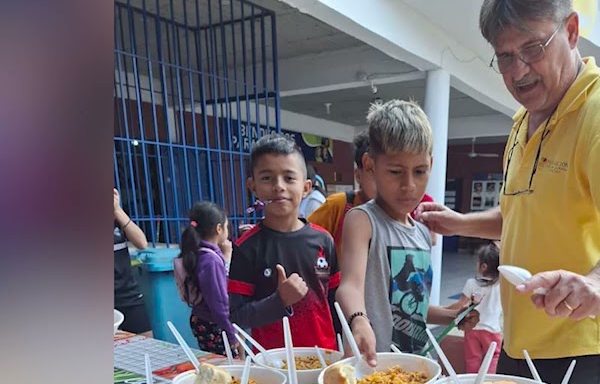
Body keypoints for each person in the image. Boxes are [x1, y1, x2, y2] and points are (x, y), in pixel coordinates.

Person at [416, 0, 600, 384]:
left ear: (572, 31)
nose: (518, 71)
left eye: (532, 49)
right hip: (521, 337)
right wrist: (459, 222)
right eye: (505, 56)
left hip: (581, 343)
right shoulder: (523, 121)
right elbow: (522, 213)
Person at [337, 99, 436, 362]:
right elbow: (349, 286)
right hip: (377, 368)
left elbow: (410, 307)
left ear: (431, 165)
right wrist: (358, 321)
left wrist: (454, 314)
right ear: (370, 165)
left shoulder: (423, 232)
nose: (409, 185)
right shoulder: (363, 220)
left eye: (420, 171)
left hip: (419, 367)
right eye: (395, 171)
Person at [228, 133, 340, 350]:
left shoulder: (324, 240)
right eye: (267, 178)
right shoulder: (246, 247)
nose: (279, 186)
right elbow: (237, 316)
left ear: (306, 188)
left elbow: (336, 303)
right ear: (253, 186)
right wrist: (279, 301)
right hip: (272, 364)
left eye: (289, 178)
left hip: (325, 357)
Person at [311, 130, 439, 256]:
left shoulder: (414, 204)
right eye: (394, 171)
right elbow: (305, 236)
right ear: (359, 175)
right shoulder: (339, 205)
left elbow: (430, 240)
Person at [173, 201, 239, 356]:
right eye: (226, 226)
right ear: (219, 229)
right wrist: (230, 332)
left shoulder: (196, 252)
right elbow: (219, 303)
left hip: (201, 320)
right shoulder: (211, 261)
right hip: (215, 325)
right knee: (227, 369)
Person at [438, 241, 503, 373]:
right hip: (492, 330)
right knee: (494, 356)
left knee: (472, 358)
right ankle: (488, 382)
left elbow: (460, 304)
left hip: (472, 329)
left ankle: (471, 382)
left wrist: (444, 310)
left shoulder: (471, 283)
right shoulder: (500, 286)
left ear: (483, 266)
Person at [113, 187, 151, 334]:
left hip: (129, 294)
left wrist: (118, 211)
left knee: (146, 341)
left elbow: (142, 243)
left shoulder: (117, 220)